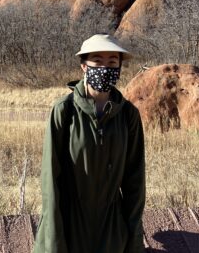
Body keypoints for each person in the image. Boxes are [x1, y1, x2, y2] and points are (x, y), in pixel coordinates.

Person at [33, 34, 146, 253]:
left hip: (113, 229)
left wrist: (133, 239)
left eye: (112, 62)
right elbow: (51, 182)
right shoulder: (64, 111)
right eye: (97, 61)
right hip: (72, 225)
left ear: (120, 67)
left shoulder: (128, 115)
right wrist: (53, 242)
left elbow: (135, 181)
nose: (105, 68)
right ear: (84, 66)